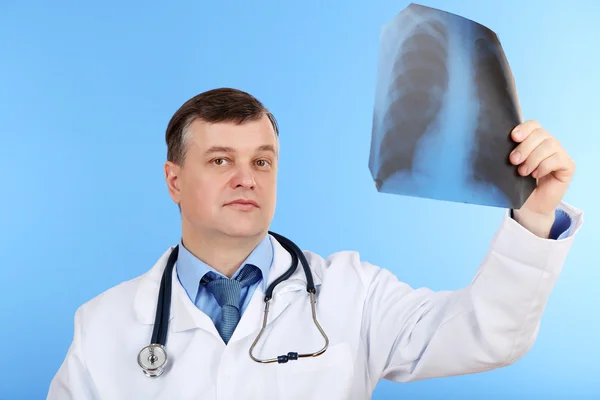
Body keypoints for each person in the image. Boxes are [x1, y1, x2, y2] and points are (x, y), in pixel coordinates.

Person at [47, 88, 583, 400]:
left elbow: (487, 335)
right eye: (220, 160)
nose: (246, 177)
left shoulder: (353, 294)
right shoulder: (103, 325)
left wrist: (535, 213)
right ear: (174, 181)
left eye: (261, 161)